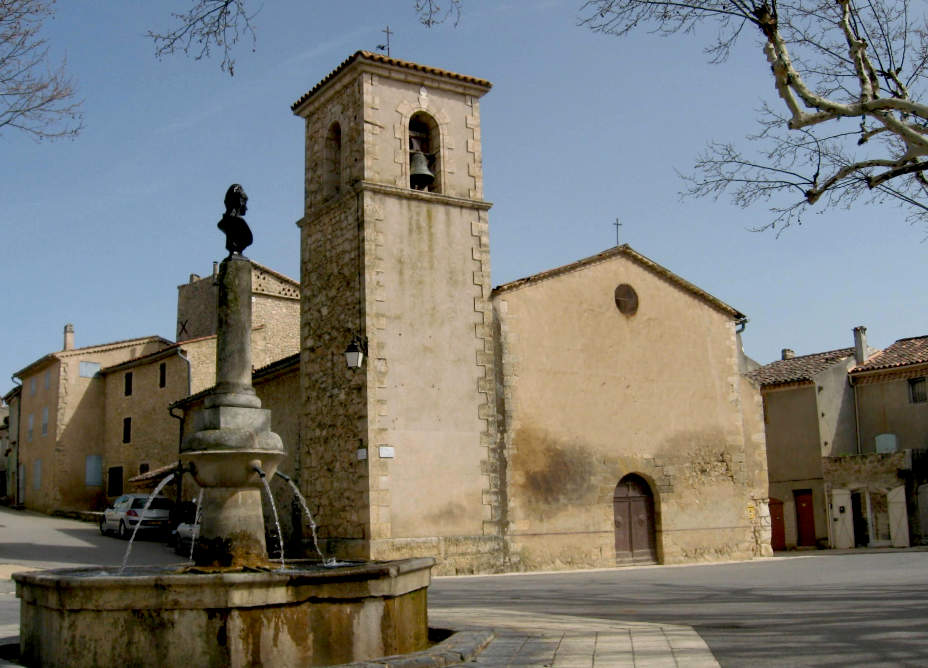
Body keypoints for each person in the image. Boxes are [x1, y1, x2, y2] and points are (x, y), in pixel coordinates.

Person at [217, 184, 253, 255]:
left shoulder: (224, 223)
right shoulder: (239, 222)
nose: (246, 208)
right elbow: (248, 240)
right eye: (245, 203)